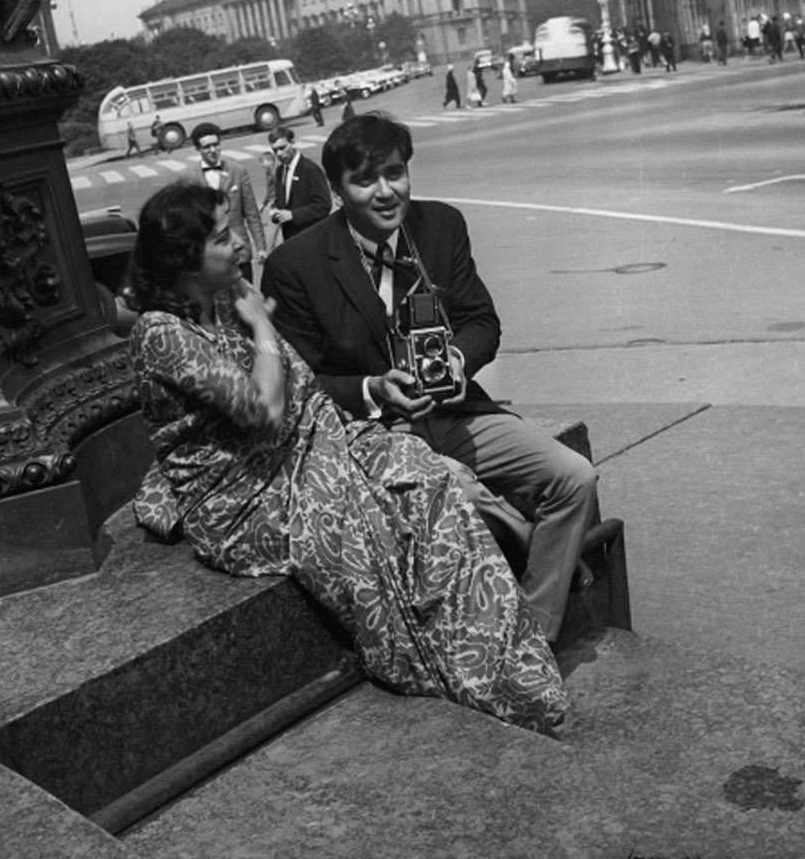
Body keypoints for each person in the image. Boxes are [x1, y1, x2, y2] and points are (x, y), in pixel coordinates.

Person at [126, 181, 566, 733]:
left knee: (422, 473)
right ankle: (458, 667)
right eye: (221, 237)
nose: (239, 243)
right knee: (370, 524)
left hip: (302, 452)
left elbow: (301, 393)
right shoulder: (160, 332)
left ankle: (504, 658)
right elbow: (264, 410)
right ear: (183, 260)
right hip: (245, 499)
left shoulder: (223, 297)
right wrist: (262, 325)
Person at [261, 112, 601, 644]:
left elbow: (481, 321)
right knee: (458, 490)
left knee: (575, 477)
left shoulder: (441, 225)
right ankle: (542, 563)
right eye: (364, 180)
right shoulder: (294, 264)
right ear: (337, 191)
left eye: (395, 173)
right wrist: (373, 389)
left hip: (456, 411)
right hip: (374, 434)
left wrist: (458, 361)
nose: (385, 191)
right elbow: (299, 383)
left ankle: (533, 634)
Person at [190, 122, 266, 282]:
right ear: (198, 149)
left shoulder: (237, 171)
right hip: (211, 257)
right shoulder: (190, 178)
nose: (213, 150)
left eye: (216, 144)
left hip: (239, 252)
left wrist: (261, 247)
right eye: (207, 147)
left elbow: (251, 212)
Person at [261, 125, 331, 248]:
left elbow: (324, 205)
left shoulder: (310, 169)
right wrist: (275, 211)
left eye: (283, 148)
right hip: (292, 240)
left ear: (293, 143)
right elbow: (282, 201)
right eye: (275, 150)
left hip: (313, 238)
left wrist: (293, 215)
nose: (279, 154)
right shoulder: (280, 171)